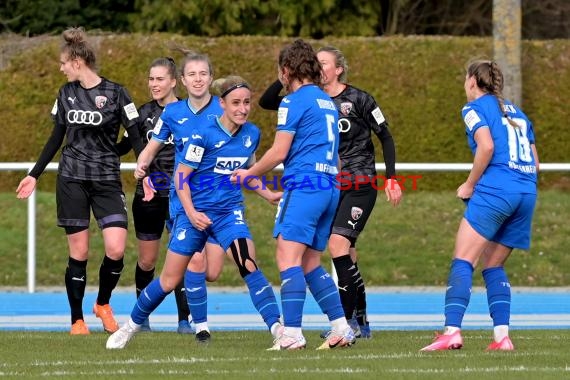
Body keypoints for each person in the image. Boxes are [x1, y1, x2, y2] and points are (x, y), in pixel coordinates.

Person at [106, 75, 283, 350]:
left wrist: (269, 194)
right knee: (167, 281)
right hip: (193, 213)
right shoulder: (204, 134)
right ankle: (129, 327)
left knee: (247, 262)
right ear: (222, 103)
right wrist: (191, 213)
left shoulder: (252, 134)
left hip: (228, 214)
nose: (243, 108)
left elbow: (247, 172)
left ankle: (278, 329)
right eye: (236, 102)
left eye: (247, 103)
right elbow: (180, 178)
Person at [259, 46, 403, 340]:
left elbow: (385, 135)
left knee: (321, 250)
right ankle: (351, 321)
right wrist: (287, 72)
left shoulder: (356, 99)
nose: (320, 68)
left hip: (349, 183)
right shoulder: (319, 101)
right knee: (332, 254)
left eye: (325, 63)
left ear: (339, 69)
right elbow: (266, 101)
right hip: (333, 182)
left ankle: (323, 327)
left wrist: (391, 178)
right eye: (315, 63)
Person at [15, 27, 144, 335]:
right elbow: (56, 137)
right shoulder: (65, 94)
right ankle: (77, 320)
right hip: (72, 178)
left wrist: (145, 169)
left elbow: (136, 134)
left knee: (116, 248)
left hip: (107, 180)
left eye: (63, 62)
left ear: (76, 61)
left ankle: (102, 303)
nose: (60, 69)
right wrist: (34, 174)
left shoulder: (116, 92)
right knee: (80, 252)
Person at [233, 39, 355, 351]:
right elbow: (337, 157)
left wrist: (250, 173)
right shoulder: (327, 101)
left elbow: (279, 151)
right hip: (330, 185)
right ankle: (341, 327)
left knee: (287, 256)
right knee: (311, 261)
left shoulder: (294, 101)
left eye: (281, 71)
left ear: (286, 71)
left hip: (305, 184)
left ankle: (291, 333)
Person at [420, 59, 539, 351]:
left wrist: (470, 184)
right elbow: (535, 163)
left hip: (497, 189)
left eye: (465, 78)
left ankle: (452, 331)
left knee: (463, 259)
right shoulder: (519, 113)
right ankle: (502, 337)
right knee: (493, 264)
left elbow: (486, 146)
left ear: (472, 80)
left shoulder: (473, 108)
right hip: (526, 192)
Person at [115, 57, 193, 334]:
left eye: (160, 79)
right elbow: (124, 146)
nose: (154, 84)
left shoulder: (189, 112)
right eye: (151, 79)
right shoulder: (141, 113)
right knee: (147, 260)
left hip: (181, 196)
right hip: (148, 196)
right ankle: (142, 318)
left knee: (182, 256)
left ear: (173, 81)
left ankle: (185, 319)